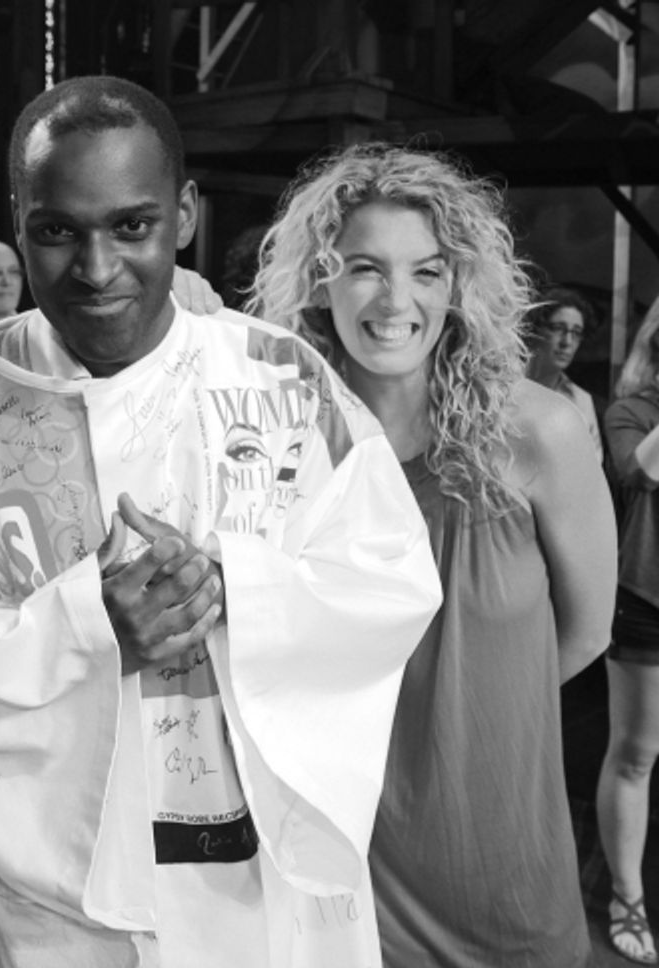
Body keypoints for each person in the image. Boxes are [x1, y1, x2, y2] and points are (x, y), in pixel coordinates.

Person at [0, 76, 442, 968]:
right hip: (46, 916)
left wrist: (236, 584)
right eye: (58, 231)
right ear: (19, 220)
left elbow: (392, 578)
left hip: (249, 902)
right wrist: (85, 626)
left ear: (184, 213)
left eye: (132, 225)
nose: (98, 268)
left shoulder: (283, 386)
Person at [249, 142, 617, 968]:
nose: (395, 300)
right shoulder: (286, 442)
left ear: (459, 288)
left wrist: (472, 704)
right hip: (340, 858)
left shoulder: (539, 433)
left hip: (498, 850)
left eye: (427, 272)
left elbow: (588, 634)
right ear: (320, 280)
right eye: (366, 268)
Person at [595, 303, 659, 965]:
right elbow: (643, 471)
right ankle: (625, 896)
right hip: (647, 601)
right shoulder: (631, 411)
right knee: (637, 754)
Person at [526, 285, 603, 461]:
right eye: (558, 328)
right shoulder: (506, 387)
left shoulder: (581, 401)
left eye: (576, 333)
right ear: (537, 329)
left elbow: (592, 469)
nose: (567, 342)